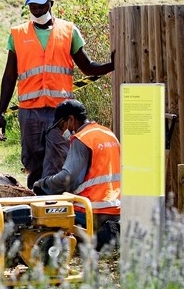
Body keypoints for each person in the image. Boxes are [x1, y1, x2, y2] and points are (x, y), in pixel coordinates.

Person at [0, 0, 114, 188]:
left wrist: (112, 65)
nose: (37, 10)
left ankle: (55, 207)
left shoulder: (68, 31)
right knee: (33, 163)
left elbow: (87, 67)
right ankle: (35, 204)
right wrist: (1, 113)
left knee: (58, 161)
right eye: (33, 7)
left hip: (60, 114)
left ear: (51, 3)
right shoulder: (18, 34)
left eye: (41, 6)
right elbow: (9, 76)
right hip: (29, 112)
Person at [32, 99, 120, 249]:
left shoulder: (82, 139)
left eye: (62, 126)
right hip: (116, 209)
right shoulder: (107, 133)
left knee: (41, 215)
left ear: (71, 119)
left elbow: (67, 179)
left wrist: (43, 184)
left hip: (90, 212)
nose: (62, 132)